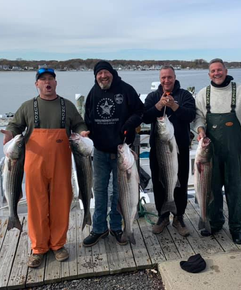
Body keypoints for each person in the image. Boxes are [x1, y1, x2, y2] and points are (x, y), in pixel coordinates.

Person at [1, 67, 89, 268]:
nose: (47, 82)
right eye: (43, 80)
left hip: (61, 163)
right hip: (34, 164)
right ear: (37, 84)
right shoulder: (27, 107)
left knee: (60, 203)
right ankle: (38, 248)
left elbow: (79, 124)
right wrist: (9, 133)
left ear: (56, 83)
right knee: (36, 206)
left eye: (51, 79)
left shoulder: (67, 105)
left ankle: (58, 245)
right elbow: (15, 126)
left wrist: (83, 133)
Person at [194, 58, 241, 244]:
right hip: (210, 152)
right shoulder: (203, 94)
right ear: (209, 74)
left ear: (226, 70)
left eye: (219, 70)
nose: (216, 73)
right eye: (213, 71)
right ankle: (214, 223)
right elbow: (198, 117)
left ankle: (236, 228)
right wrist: (200, 129)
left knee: (234, 190)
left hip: (234, 150)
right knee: (211, 189)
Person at [83, 60, 144, 247]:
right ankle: (99, 228)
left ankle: (118, 227)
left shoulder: (125, 89)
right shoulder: (93, 93)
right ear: (95, 76)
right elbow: (88, 118)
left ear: (112, 73)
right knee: (100, 191)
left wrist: (129, 124)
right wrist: (86, 132)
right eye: (99, 74)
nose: (103, 76)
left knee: (119, 193)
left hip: (122, 151)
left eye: (105, 73)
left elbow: (140, 111)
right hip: (100, 151)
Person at [143, 66, 196, 237]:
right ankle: (163, 216)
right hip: (159, 148)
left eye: (169, 77)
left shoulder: (185, 95)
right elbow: (145, 116)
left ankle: (178, 217)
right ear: (160, 79)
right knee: (160, 182)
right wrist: (159, 105)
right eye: (163, 77)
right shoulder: (152, 97)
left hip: (179, 148)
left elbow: (190, 116)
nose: (166, 81)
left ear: (175, 77)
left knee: (179, 182)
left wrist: (173, 106)